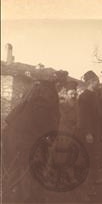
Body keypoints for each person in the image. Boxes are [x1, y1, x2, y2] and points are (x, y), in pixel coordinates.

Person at [1, 70, 65, 202]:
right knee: (28, 173)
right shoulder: (50, 93)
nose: (61, 88)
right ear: (55, 83)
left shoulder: (33, 91)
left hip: (11, 135)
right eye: (60, 85)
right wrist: (50, 137)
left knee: (13, 171)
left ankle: (10, 198)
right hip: (26, 139)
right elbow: (50, 119)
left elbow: (13, 116)